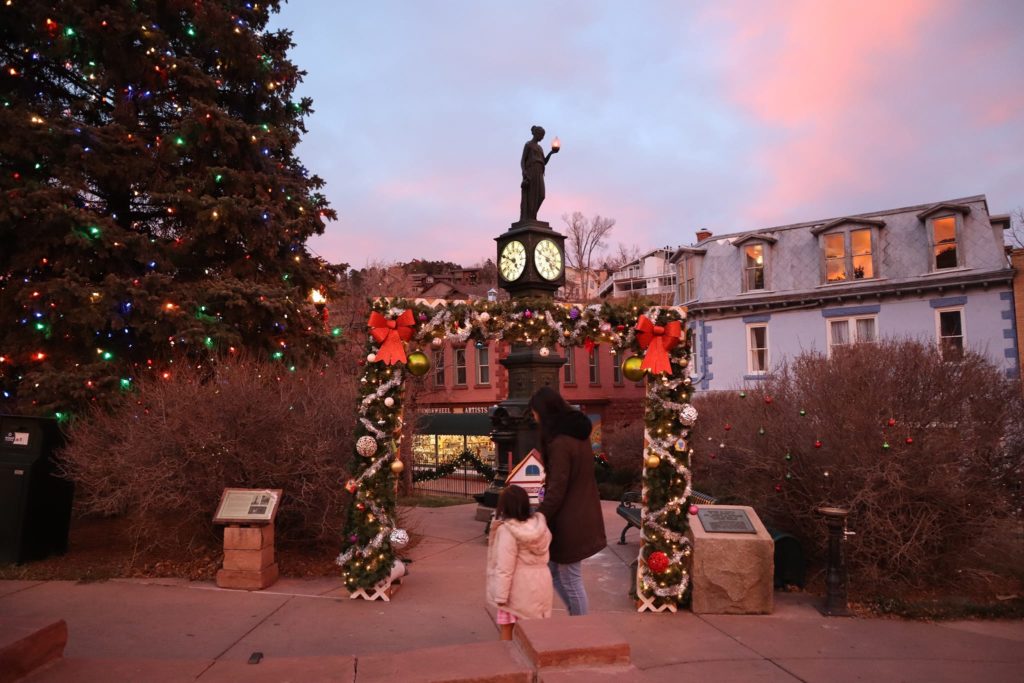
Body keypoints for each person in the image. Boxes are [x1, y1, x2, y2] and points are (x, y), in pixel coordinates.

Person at [530, 386, 606, 616]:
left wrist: (539, 516)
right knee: (554, 573)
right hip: (578, 514)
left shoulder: (561, 443)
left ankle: (581, 627)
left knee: (571, 579)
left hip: (571, 521)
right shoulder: (577, 435)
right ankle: (577, 619)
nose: (534, 417)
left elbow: (557, 488)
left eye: (535, 412)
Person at [486, 484, 554, 641]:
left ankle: (509, 662)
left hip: (517, 589)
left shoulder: (508, 531)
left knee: (507, 629)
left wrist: (500, 597)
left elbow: (505, 567)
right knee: (535, 632)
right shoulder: (540, 527)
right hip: (541, 583)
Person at [519, 125, 559, 222]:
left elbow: (543, 161)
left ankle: (532, 216)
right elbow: (522, 160)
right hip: (531, 171)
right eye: (542, 135)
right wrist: (524, 172)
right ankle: (530, 218)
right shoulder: (528, 145)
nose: (542, 137)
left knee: (541, 195)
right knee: (531, 195)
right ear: (537, 134)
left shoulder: (540, 148)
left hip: (540, 172)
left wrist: (551, 153)